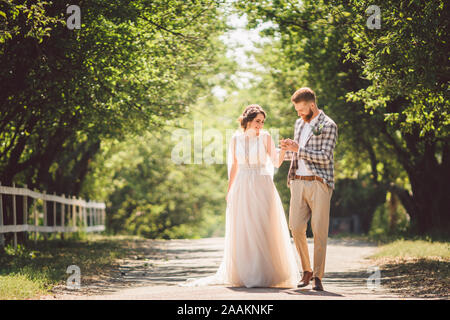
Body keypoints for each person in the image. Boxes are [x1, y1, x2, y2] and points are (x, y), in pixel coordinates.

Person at [181, 104, 299, 288]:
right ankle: (245, 272)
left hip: (262, 184)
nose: (260, 125)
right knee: (244, 227)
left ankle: (267, 273)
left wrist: (283, 150)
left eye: (262, 122)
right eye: (257, 121)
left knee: (264, 225)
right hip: (242, 184)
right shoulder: (236, 138)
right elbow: (234, 166)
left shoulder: (266, 137)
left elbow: (276, 163)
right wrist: (230, 190)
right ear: (248, 120)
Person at [280, 87, 338, 291]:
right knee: (295, 227)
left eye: (301, 109)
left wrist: (299, 149)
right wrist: (286, 149)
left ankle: (318, 277)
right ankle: (306, 270)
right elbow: (297, 155)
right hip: (297, 181)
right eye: (296, 110)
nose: (298, 113)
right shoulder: (299, 123)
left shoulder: (328, 125)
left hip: (319, 182)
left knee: (320, 230)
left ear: (312, 105)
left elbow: (325, 156)